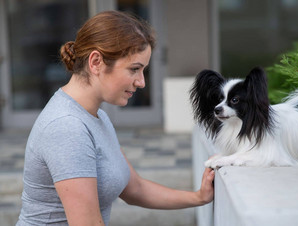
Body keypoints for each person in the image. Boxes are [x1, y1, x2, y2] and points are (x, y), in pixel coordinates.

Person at [16, 10, 214, 226]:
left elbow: (135, 188)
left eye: (143, 71)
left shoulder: (97, 116)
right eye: (134, 69)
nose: (141, 82)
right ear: (96, 62)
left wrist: (198, 197)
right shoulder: (67, 126)